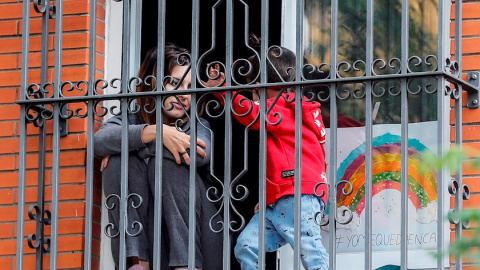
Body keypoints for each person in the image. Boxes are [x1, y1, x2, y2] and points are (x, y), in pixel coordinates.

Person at [94, 43, 223, 270]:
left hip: (199, 241)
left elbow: (199, 155)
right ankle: (137, 262)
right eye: (174, 83)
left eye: (190, 87)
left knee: (169, 162)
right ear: (153, 81)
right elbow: (98, 142)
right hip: (154, 246)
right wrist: (157, 133)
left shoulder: (198, 125)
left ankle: (187, 265)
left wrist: (140, 145)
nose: (183, 95)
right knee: (119, 161)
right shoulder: (132, 120)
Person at [209, 35, 329, 270]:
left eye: (252, 87)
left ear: (259, 86)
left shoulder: (287, 106)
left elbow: (250, 112)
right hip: (281, 199)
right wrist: (269, 198)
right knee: (246, 246)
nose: (253, 94)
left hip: (300, 196)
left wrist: (223, 91)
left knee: (311, 253)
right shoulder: (293, 108)